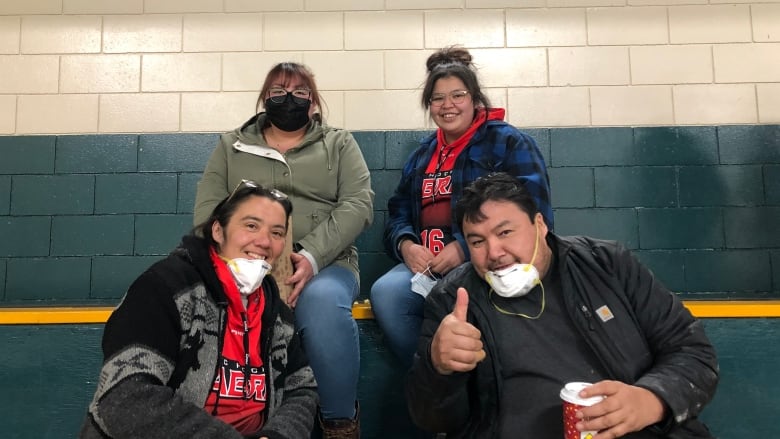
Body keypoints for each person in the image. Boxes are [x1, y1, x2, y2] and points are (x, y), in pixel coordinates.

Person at [405, 172, 719, 438]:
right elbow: (434, 420)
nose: (494, 252)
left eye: (505, 232)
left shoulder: (607, 265)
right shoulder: (451, 299)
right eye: (477, 241)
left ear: (539, 224)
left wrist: (650, 399)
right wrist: (439, 368)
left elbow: (692, 352)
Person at [193, 62, 373, 437]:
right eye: (278, 91)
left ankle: (340, 424)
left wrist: (310, 255)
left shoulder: (339, 143)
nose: (288, 99)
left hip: (326, 265)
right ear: (263, 98)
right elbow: (207, 212)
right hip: (244, 265)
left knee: (323, 304)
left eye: (299, 92)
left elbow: (358, 204)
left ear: (314, 101)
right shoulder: (231, 145)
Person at [80, 181, 317, 439]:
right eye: (251, 225)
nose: (264, 241)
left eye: (277, 233)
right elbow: (124, 398)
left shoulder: (278, 314)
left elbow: (302, 389)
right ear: (218, 230)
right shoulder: (165, 287)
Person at [370, 46, 553, 369]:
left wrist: (466, 248)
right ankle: (431, 376)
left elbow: (535, 212)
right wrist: (407, 245)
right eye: (438, 98)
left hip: (487, 261)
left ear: (474, 98)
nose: (448, 105)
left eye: (458, 95)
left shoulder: (509, 142)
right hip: (424, 270)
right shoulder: (421, 156)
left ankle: (484, 385)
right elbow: (398, 211)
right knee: (387, 293)